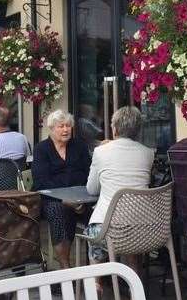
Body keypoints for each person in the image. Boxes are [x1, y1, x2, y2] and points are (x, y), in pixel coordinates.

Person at [84, 107, 154, 283]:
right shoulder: (148, 153)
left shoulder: (101, 151)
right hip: (143, 230)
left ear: (114, 129)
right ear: (138, 130)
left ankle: (96, 283)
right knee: (130, 239)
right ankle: (133, 297)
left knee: (94, 233)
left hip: (109, 231)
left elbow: (91, 189)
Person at [32, 109, 91, 269]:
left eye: (68, 126)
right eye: (61, 126)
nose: (66, 130)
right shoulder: (41, 149)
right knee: (57, 212)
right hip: (51, 198)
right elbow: (41, 182)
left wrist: (79, 197)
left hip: (81, 196)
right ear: (51, 129)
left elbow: (89, 173)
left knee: (97, 212)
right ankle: (65, 267)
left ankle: (97, 266)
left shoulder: (79, 146)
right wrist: (65, 199)